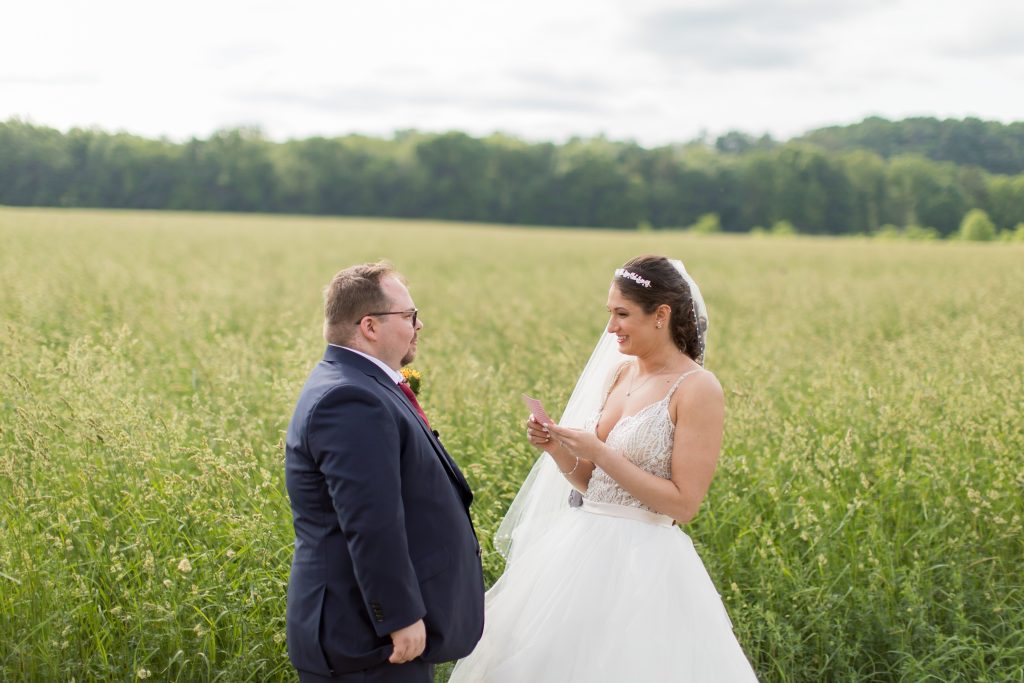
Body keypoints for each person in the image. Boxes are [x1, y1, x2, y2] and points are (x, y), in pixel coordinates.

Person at [450, 255, 758, 682]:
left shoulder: (697, 388)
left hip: (645, 565)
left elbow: (684, 504)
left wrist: (601, 450)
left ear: (661, 316)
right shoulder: (619, 374)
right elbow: (595, 483)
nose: (610, 327)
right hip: (578, 550)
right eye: (609, 313)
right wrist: (558, 450)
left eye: (622, 314)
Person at [285, 262, 485, 683]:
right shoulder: (350, 397)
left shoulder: (360, 383)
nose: (419, 325)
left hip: (374, 638)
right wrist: (399, 615)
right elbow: (370, 521)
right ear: (370, 326)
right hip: (367, 641)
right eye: (410, 316)